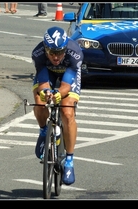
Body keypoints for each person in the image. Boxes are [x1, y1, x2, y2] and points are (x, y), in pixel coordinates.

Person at [32, 26, 83, 185]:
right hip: (48, 74)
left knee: (67, 112)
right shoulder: (38, 53)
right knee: (40, 103)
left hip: (68, 75)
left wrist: (59, 93)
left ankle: (69, 161)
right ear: (45, 49)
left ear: (65, 48)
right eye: (52, 53)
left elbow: (67, 84)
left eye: (60, 52)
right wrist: (45, 92)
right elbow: (43, 80)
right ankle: (43, 132)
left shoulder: (75, 53)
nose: (56, 57)